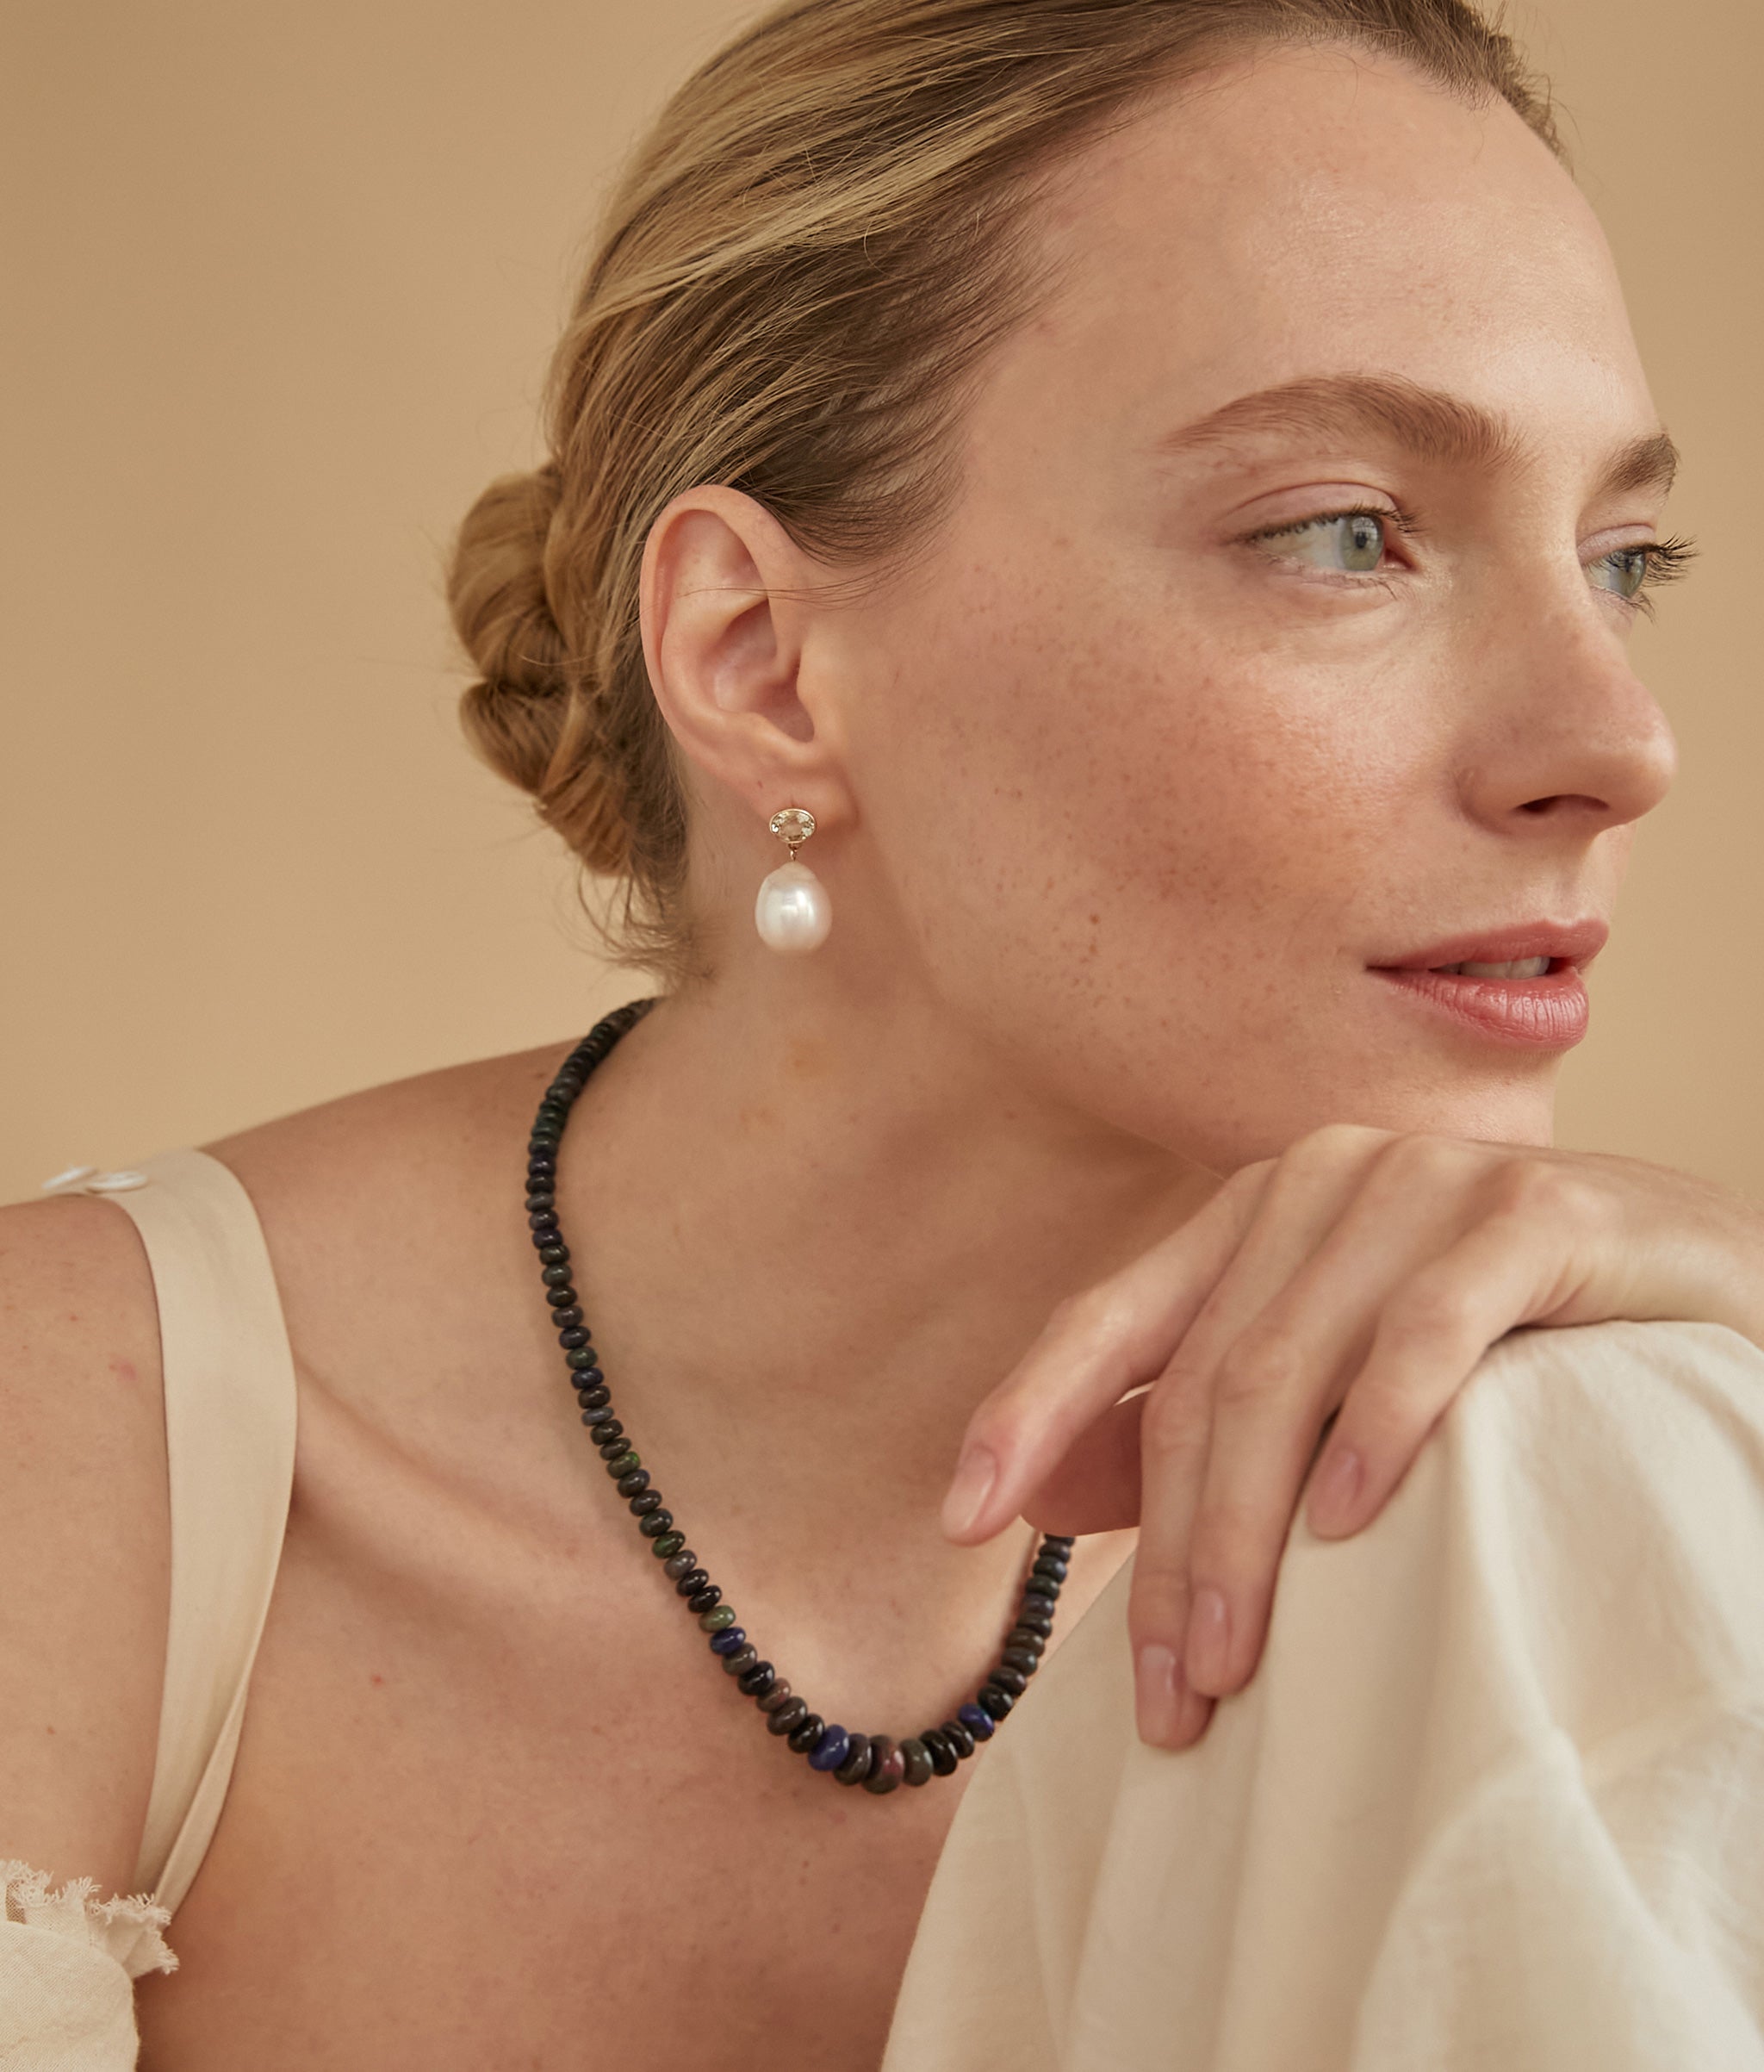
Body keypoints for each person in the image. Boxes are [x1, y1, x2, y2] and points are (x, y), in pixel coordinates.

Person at [3, 2, 1760, 2068]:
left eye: (1621, 558)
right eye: (1344, 532)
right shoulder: (96, 1468)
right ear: (757, 660)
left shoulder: (1567, 1491)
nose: (1615, 743)